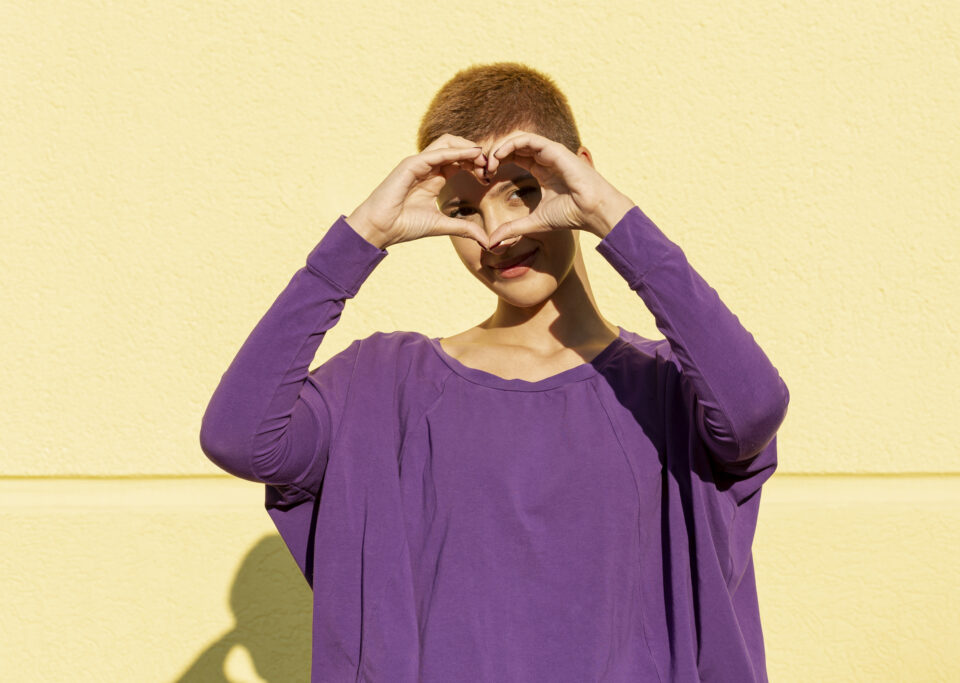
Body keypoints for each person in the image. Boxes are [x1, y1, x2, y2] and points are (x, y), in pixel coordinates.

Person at [200, 61, 790, 682]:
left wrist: (613, 216)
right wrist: (361, 236)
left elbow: (753, 408)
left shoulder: (674, 389)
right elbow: (239, 436)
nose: (499, 232)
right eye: (463, 208)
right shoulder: (382, 387)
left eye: (523, 191)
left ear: (578, 171)